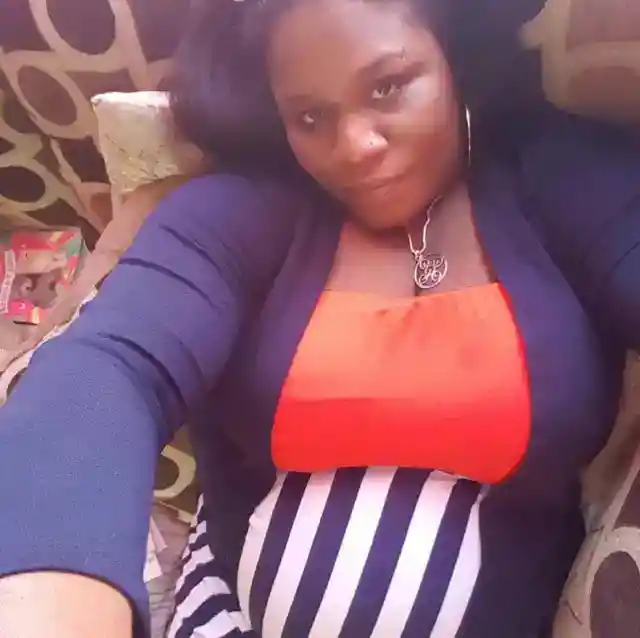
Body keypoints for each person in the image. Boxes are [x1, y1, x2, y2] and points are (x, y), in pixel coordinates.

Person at [0, 0, 639, 636]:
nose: (355, 146)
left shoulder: (563, 178)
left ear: (454, 56)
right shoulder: (242, 211)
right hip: (225, 616)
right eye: (311, 117)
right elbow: (112, 367)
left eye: (388, 87)